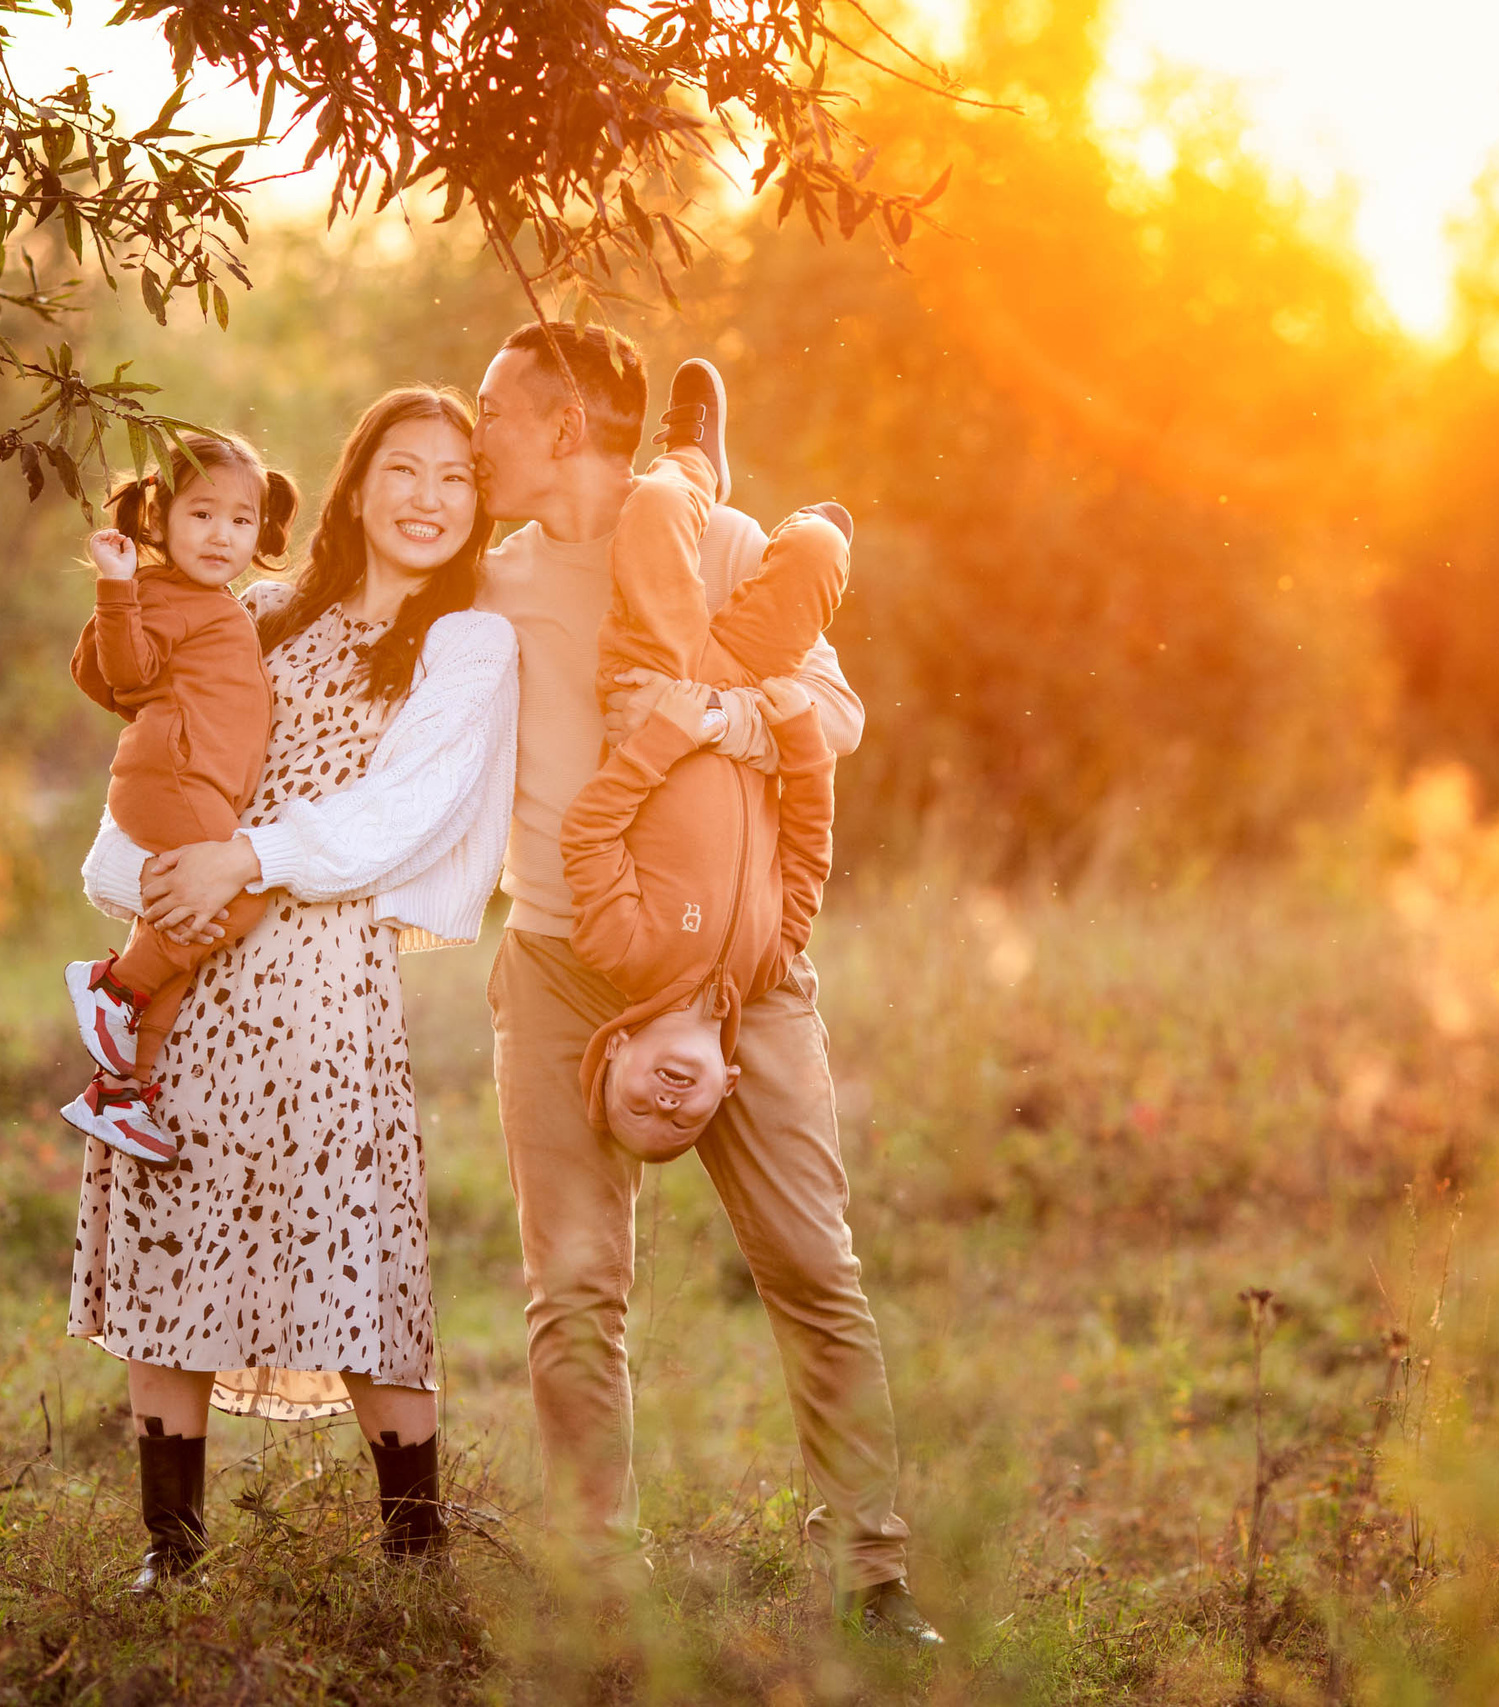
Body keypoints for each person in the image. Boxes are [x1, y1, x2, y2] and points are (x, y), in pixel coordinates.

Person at [473, 323, 942, 1646]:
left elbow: (835, 716)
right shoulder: (491, 585)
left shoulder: (718, 542)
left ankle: (872, 1573)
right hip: (565, 957)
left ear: (563, 424)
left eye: (494, 412)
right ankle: (598, 1584)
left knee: (811, 1259)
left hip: (744, 975)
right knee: (574, 1281)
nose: (477, 434)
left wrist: (707, 711)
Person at [66, 386, 519, 1591]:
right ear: (356, 485)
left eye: (455, 479)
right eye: (403, 471)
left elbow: (399, 810)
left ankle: (413, 1553)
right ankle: (173, 1555)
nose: (427, 499)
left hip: (320, 979)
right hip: (194, 962)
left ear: (476, 505)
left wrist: (248, 856)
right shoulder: (262, 610)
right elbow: (150, 703)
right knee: (171, 1235)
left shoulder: (466, 640)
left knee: (352, 1248)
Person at [561, 375, 853, 1161]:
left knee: (653, 510)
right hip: (751, 691)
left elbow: (588, 834)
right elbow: (808, 846)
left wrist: (662, 734)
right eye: (679, 1123)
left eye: (636, 1108)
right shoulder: (769, 962)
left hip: (656, 683)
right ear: (727, 1082)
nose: (662, 1105)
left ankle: (691, 462)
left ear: (612, 1053)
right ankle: (809, 531)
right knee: (825, 551)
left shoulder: (621, 951)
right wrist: (796, 739)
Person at [59, 434, 295, 1164]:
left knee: (178, 927)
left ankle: (122, 1090)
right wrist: (117, 584)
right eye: (201, 514)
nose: (221, 534)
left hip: (194, 783)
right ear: (159, 521)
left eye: (240, 519)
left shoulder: (216, 603)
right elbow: (119, 669)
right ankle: (112, 988)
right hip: (173, 778)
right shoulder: (159, 591)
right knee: (242, 890)